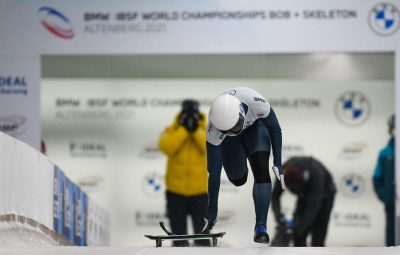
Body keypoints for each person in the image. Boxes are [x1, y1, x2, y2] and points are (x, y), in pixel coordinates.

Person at [203, 87, 285, 243]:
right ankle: (239, 156)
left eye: (237, 124)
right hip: (228, 141)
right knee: (238, 179)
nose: (235, 130)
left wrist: (277, 162)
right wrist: (212, 209)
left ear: (241, 111)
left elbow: (275, 129)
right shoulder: (213, 130)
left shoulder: (256, 103)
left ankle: (261, 227)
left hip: (256, 129)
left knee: (261, 171)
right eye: (229, 129)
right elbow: (214, 172)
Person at [159, 99, 210, 247]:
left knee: (202, 240)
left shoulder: (206, 129)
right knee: (179, 241)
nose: (189, 117)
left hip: (199, 192)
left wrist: (195, 131)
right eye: (187, 113)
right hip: (176, 193)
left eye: (192, 114)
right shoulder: (173, 129)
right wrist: (183, 130)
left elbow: (209, 148)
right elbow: (165, 147)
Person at [271, 156, 336, 247]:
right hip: (305, 194)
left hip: (325, 194)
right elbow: (275, 197)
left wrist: (296, 229)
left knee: (317, 235)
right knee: (298, 236)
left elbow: (312, 209)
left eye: (298, 190)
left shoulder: (315, 174)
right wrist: (279, 217)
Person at [373, 114, 395, 246]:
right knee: (392, 232)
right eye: (390, 126)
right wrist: (385, 195)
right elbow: (377, 176)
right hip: (391, 202)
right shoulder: (385, 152)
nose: (390, 129)